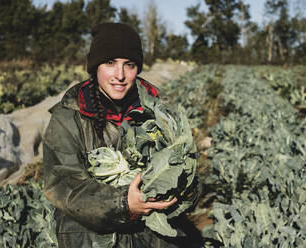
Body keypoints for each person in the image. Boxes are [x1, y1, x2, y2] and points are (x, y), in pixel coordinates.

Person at [43, 23, 202, 248]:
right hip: (89, 235)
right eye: (110, 63)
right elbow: (64, 184)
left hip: (151, 234)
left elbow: (190, 172)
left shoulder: (160, 111)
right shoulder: (68, 116)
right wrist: (123, 203)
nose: (120, 75)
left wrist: (183, 190)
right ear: (95, 67)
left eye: (129, 65)